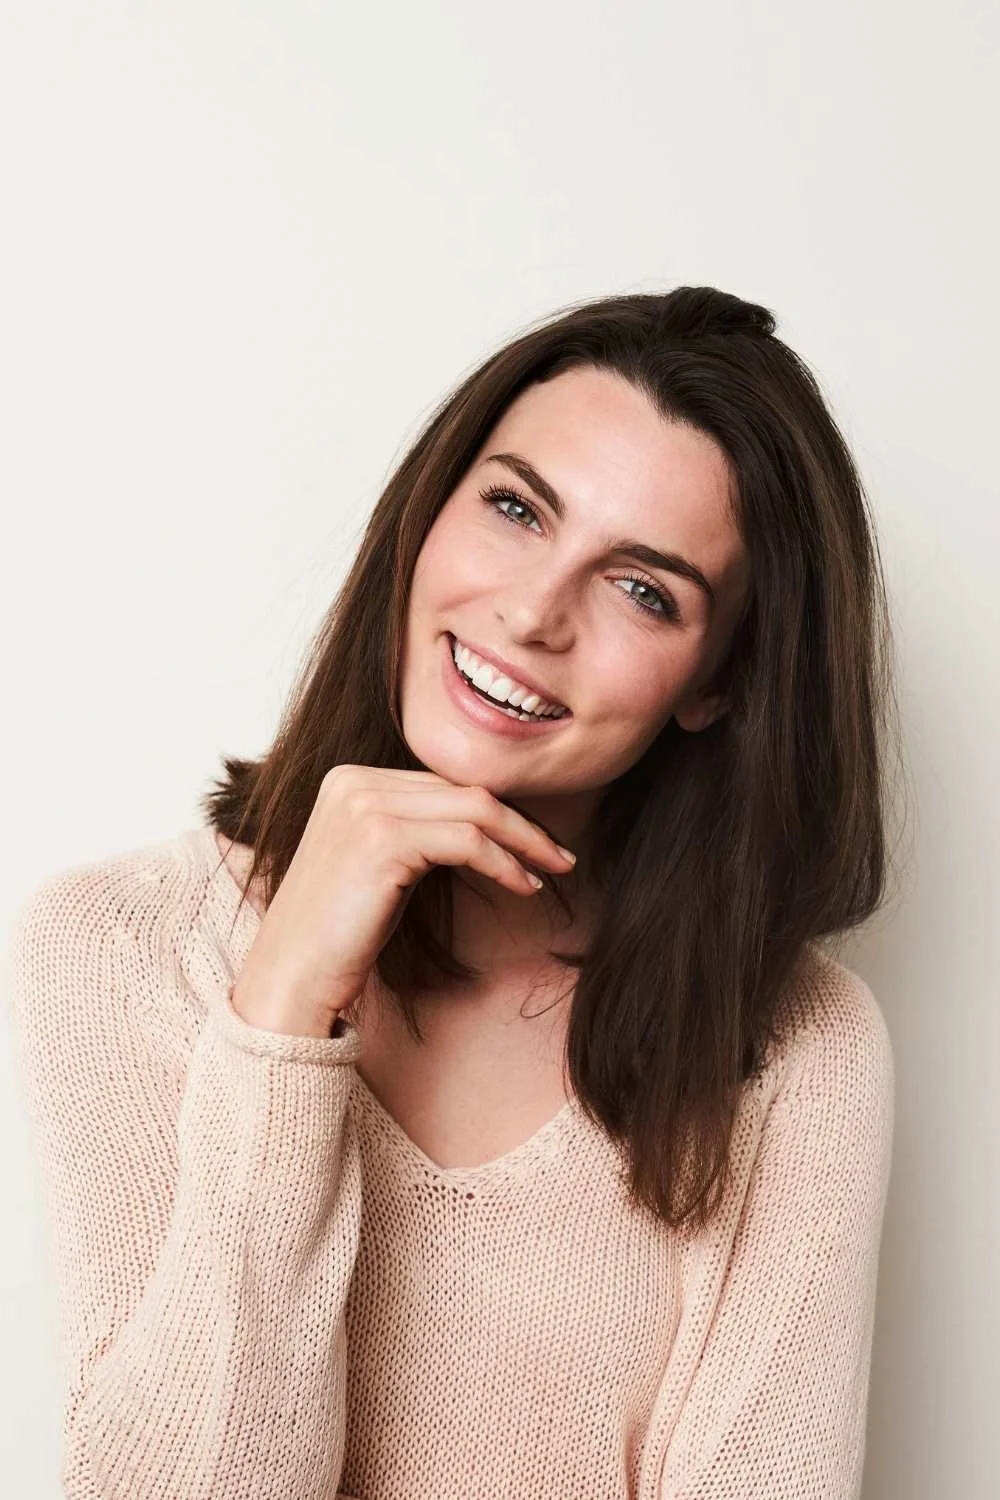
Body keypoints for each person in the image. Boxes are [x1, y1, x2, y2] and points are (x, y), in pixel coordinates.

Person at [7, 286, 900, 1499]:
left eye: (643, 590)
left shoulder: (790, 1044)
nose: (533, 613)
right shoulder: (117, 942)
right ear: (425, 515)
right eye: (515, 509)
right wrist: (280, 1012)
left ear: (717, 682)